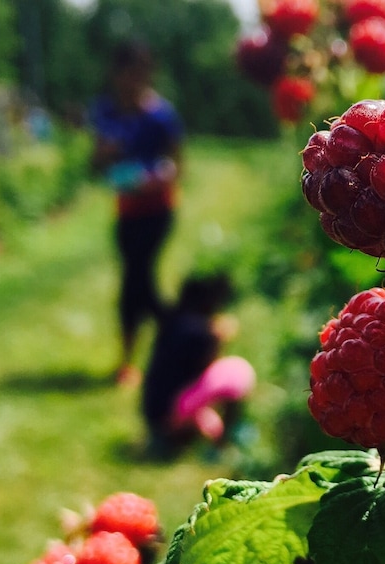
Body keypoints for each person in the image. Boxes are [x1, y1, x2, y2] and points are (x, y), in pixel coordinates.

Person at [89, 40, 183, 387]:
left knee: (135, 281)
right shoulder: (105, 112)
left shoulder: (161, 116)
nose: (134, 80)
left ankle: (135, 360)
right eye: (129, 73)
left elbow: (177, 165)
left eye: (141, 73)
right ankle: (177, 336)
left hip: (157, 210)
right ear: (116, 75)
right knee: (140, 282)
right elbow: (95, 164)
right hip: (126, 211)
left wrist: (159, 178)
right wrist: (105, 154)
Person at [141, 273, 255, 458]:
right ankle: (224, 442)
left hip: (154, 409)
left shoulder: (172, 319)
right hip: (172, 411)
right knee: (239, 372)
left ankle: (181, 431)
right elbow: (205, 368)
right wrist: (218, 339)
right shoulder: (201, 333)